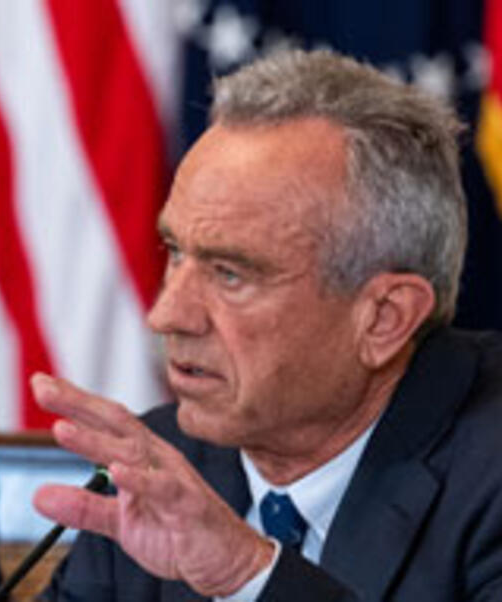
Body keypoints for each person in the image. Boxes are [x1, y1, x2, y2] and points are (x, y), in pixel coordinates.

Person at [34, 49, 502, 601]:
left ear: (383, 318)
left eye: (231, 274)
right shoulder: (159, 464)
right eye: (176, 252)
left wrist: (249, 575)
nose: (166, 315)